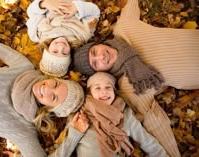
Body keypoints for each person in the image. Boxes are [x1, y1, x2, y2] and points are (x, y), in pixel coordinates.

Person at [73, 0, 199, 156]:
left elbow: (131, 3)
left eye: (94, 52)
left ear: (97, 44)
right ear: (99, 73)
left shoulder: (124, 28)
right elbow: (155, 121)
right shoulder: (131, 84)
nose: (101, 56)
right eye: (95, 63)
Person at [0, 42, 89, 157]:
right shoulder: (24, 67)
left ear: (50, 109)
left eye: (54, 97)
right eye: (56, 84)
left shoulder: (22, 129)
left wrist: (73, 137)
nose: (47, 89)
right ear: (56, 79)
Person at [75, 72, 168, 157]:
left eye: (108, 87)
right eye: (97, 88)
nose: (104, 91)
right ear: (90, 93)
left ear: (114, 92)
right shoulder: (81, 116)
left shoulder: (125, 115)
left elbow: (147, 142)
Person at [26, 0, 100, 77]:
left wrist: (44, 3)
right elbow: (95, 13)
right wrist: (77, 7)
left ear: (47, 49)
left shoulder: (36, 34)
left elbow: (32, 12)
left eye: (55, 51)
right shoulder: (82, 35)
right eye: (64, 53)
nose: (61, 47)